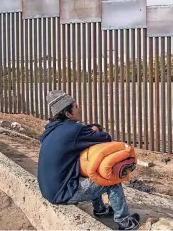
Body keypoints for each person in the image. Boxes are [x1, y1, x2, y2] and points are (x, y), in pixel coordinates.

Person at [37, 90, 140, 230]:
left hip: (49, 190)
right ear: (68, 113)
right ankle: (124, 221)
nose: (79, 108)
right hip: (63, 193)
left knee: (89, 167)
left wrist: (90, 128)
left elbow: (82, 134)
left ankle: (100, 209)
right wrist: (95, 128)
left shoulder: (51, 130)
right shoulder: (74, 130)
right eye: (76, 106)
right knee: (113, 178)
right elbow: (105, 138)